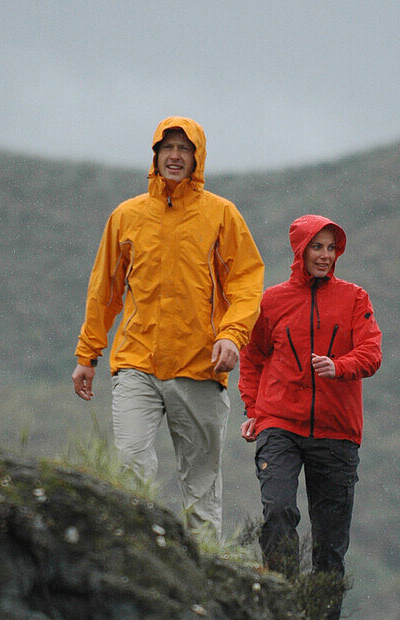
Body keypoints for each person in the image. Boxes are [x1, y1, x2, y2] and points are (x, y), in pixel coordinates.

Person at [73, 116, 264, 539]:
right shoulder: (127, 216)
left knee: (199, 486)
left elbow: (247, 281)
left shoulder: (221, 215)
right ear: (155, 156)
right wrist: (88, 354)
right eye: (167, 148)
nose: (175, 156)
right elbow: (104, 289)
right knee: (130, 466)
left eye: (184, 149)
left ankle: (203, 579)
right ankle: (138, 560)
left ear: (198, 158)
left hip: (199, 367)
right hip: (136, 362)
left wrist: (232, 336)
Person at [238, 214, 382, 620]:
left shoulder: (355, 299)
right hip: (279, 424)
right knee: (279, 512)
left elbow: (372, 353)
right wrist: (254, 410)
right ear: (299, 250)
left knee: (330, 547)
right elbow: (253, 357)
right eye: (316, 247)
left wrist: (339, 366)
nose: (324, 255)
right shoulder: (273, 301)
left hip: (338, 433)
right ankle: (282, 618)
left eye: (331, 247)